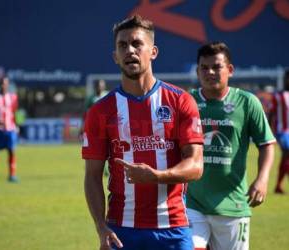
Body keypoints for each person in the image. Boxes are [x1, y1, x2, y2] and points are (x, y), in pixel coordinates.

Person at [82, 15, 204, 250]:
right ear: (115, 56)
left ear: (153, 51)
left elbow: (196, 166)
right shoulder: (100, 111)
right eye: (122, 45)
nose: (130, 50)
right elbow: (92, 175)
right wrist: (100, 226)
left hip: (173, 229)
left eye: (137, 43)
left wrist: (157, 176)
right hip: (121, 231)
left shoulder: (180, 102)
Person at [186, 42, 276, 250]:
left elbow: (266, 143)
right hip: (192, 203)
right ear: (198, 71)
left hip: (232, 205)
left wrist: (262, 180)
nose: (209, 72)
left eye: (216, 66)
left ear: (230, 70)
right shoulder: (187, 101)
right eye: (204, 67)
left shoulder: (247, 102)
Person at [0, 76, 19, 182]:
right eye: (1, 83)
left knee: (11, 151)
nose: (3, 85)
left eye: (5, 83)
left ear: (8, 85)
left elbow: (14, 112)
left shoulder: (13, 97)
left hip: (10, 129)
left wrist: (16, 125)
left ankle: (12, 175)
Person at [269, 69, 289, 194]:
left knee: (285, 158)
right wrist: (269, 132)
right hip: (281, 131)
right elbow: (271, 114)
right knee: (287, 152)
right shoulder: (278, 96)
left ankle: (278, 186)